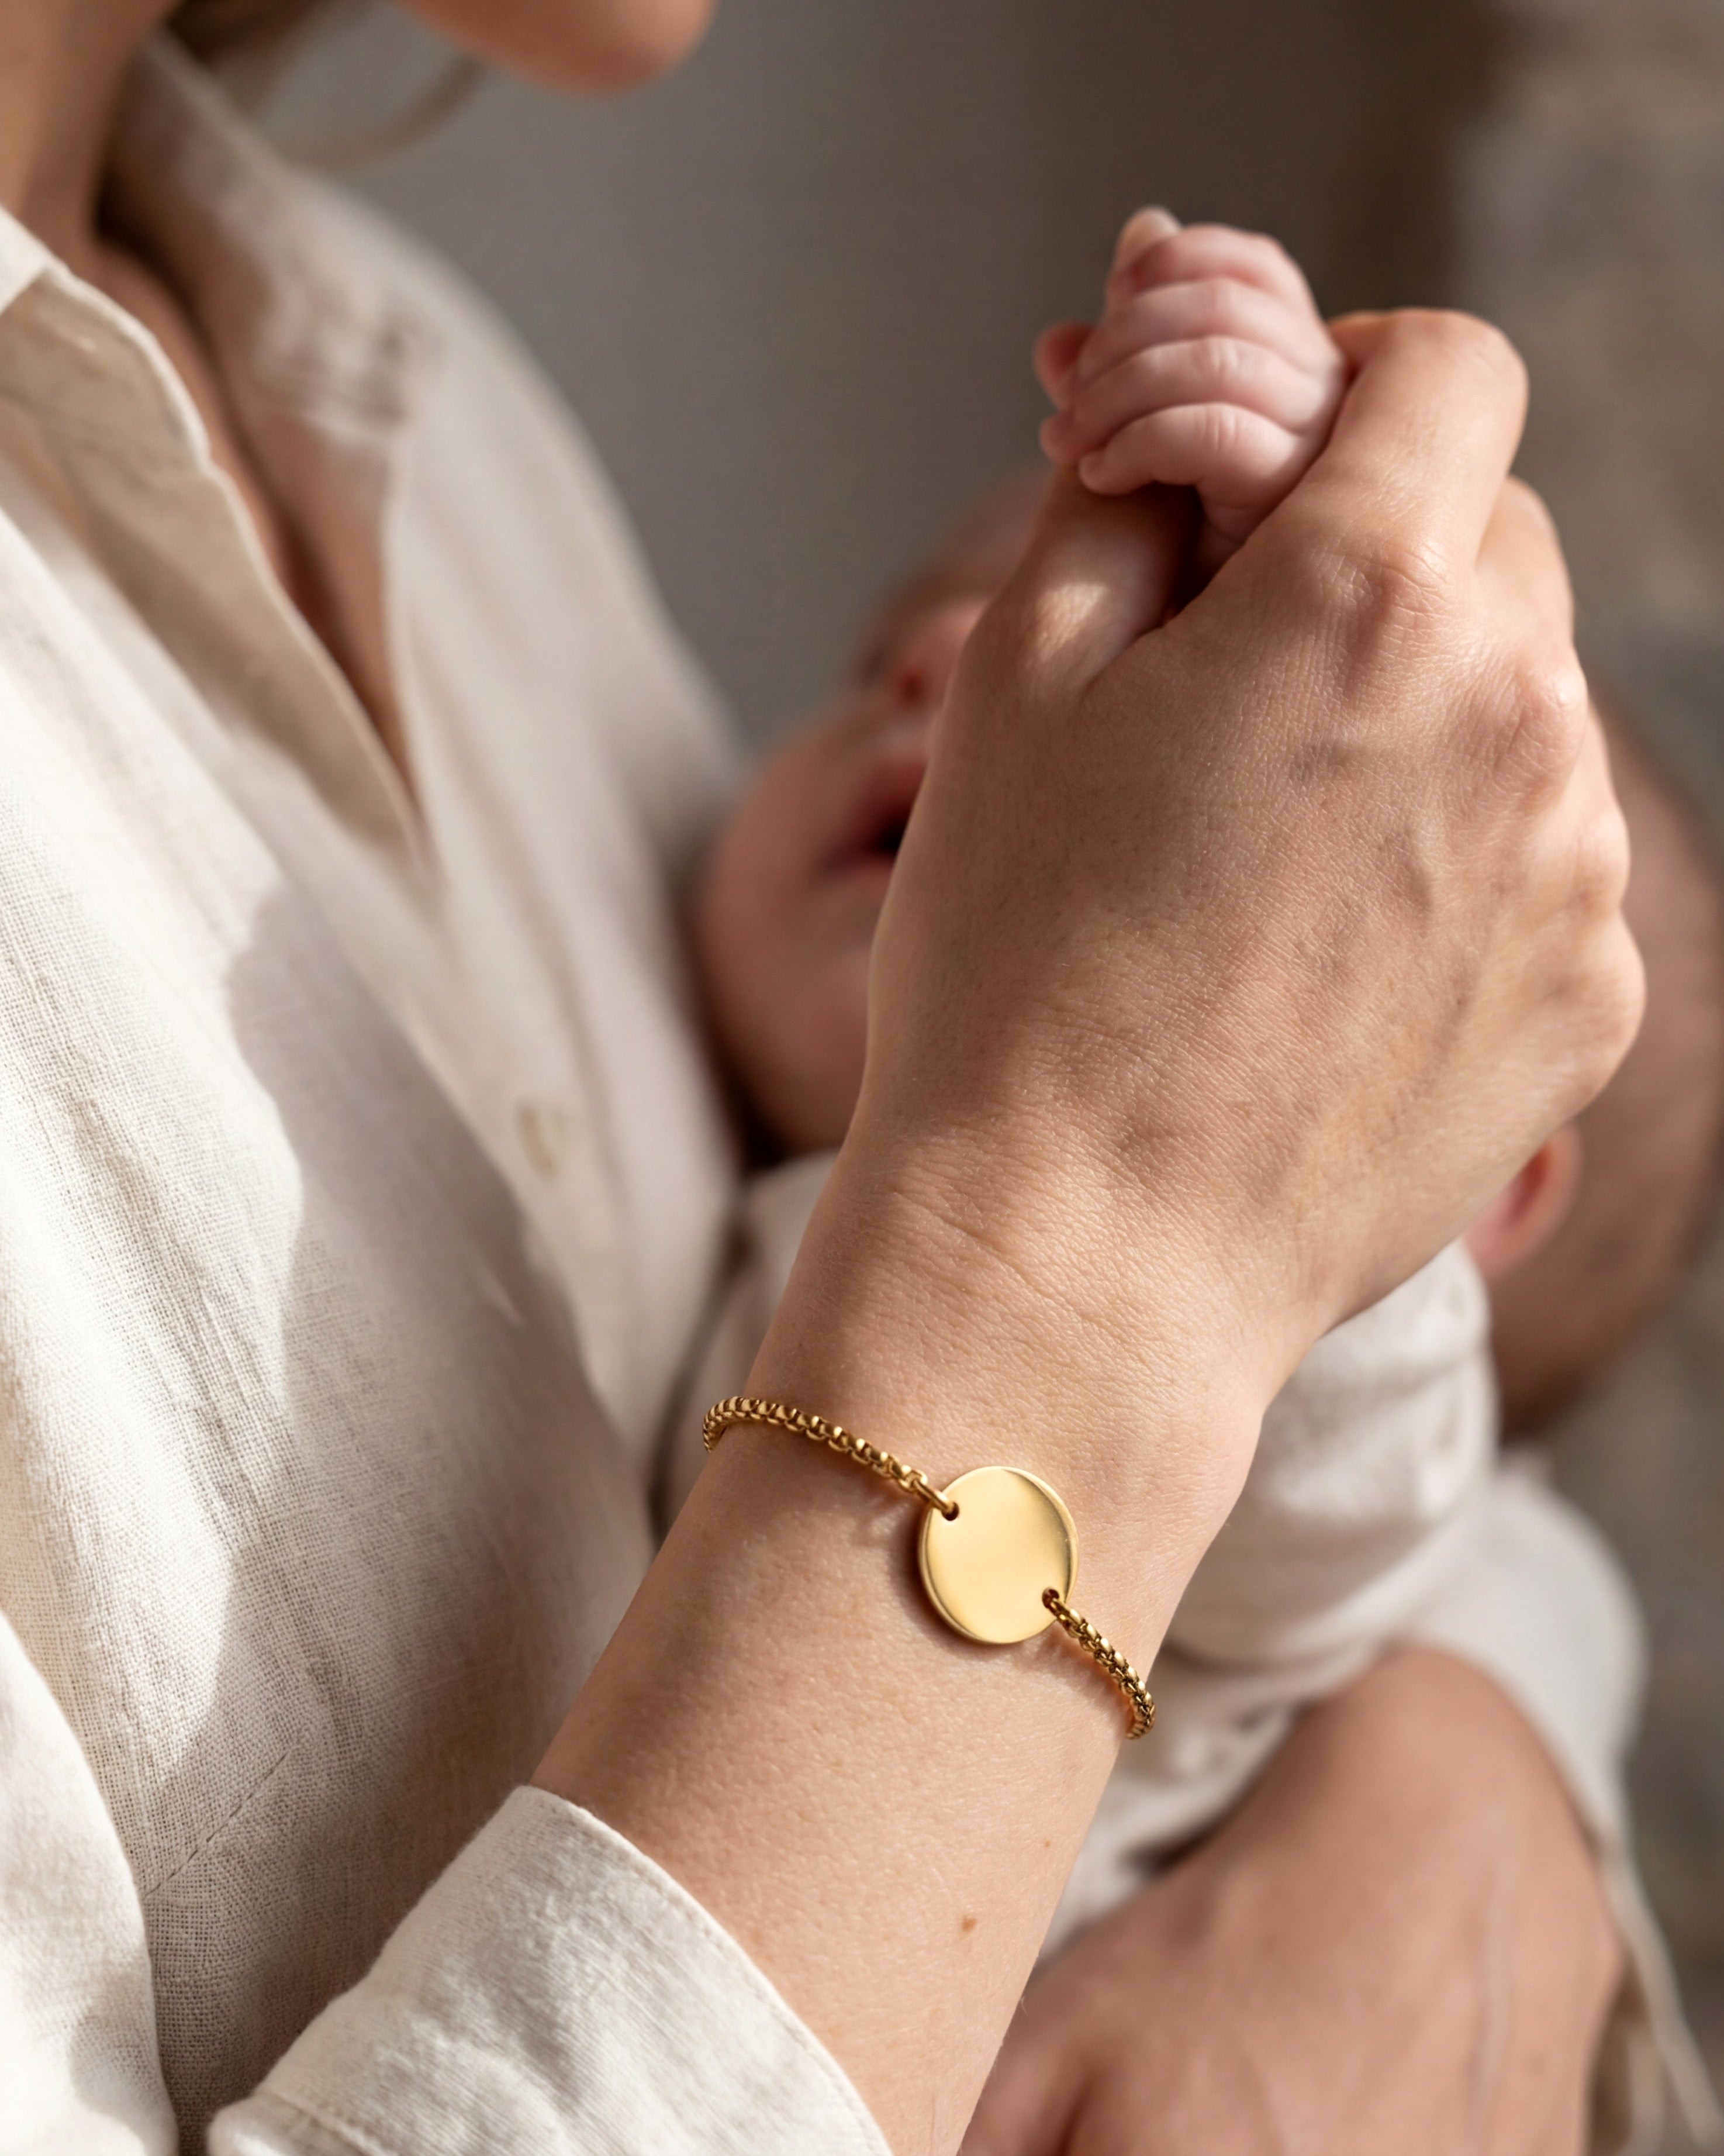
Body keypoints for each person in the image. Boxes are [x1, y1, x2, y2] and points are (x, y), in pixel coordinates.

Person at [0, 6, 1688, 2156]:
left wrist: (1458, 1770)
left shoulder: (421, 417)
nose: (931, 676)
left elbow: (1417, 1439)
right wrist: (1117, 1214)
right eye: (909, 633)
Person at [674, 205, 1592, 1926]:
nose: (946, 664)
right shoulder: (741, 1182)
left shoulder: (1336, 1466)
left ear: (1482, 1186)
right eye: (889, 659)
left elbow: (1323, 1393)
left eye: (1123, 676)